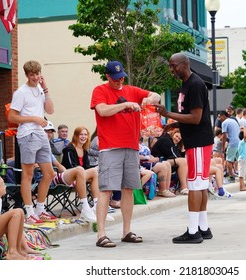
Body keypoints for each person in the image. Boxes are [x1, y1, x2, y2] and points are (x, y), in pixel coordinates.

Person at [91, 60, 161, 248]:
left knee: (128, 188)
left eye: (122, 77)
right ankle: (101, 234)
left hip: (131, 147)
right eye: (116, 78)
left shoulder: (131, 89)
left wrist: (149, 98)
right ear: (107, 77)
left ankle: (126, 231)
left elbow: (156, 96)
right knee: (106, 189)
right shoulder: (100, 91)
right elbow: (102, 110)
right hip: (110, 147)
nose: (119, 81)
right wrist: (126, 105)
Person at [155, 53, 214, 244]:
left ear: (185, 64)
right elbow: (190, 116)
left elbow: (196, 117)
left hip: (198, 142)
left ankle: (193, 231)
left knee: (195, 186)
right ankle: (203, 228)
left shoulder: (195, 85)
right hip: (198, 141)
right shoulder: (187, 83)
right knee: (201, 184)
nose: (171, 69)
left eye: (174, 66)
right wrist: (173, 125)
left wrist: (168, 114)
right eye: (170, 66)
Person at [8, 60, 57, 224]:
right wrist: (34, 118)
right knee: (27, 175)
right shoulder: (21, 92)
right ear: (27, 75)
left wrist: (46, 88)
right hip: (27, 134)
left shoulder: (40, 90)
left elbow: (50, 110)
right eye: (32, 75)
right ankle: (29, 212)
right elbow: (12, 117)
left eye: (37, 74)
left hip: (41, 134)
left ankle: (40, 209)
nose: (35, 77)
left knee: (49, 173)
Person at [0, 175, 42, 257]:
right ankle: (12, 251)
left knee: (19, 213)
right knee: (14, 217)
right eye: (3, 185)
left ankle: (23, 248)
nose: (5, 186)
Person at [61, 126, 101, 212]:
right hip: (69, 176)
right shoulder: (69, 149)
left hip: (81, 176)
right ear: (76, 136)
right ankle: (88, 206)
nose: (83, 137)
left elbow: (86, 166)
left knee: (96, 172)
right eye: (81, 134)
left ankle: (97, 205)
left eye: (85, 134)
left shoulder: (84, 151)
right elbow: (71, 166)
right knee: (91, 171)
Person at [151, 125, 189, 195]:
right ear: (173, 133)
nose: (177, 139)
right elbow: (173, 156)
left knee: (185, 162)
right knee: (183, 161)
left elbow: (178, 155)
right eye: (177, 136)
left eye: (179, 139)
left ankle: (185, 186)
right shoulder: (166, 140)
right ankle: (183, 187)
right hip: (158, 160)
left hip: (165, 160)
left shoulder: (174, 145)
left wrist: (183, 148)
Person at [221, 105, 240, 184]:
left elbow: (224, 135)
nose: (219, 119)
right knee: (238, 159)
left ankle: (231, 176)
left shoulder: (224, 123)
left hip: (232, 143)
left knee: (229, 160)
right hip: (238, 142)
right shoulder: (234, 121)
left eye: (220, 117)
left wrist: (223, 146)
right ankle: (243, 175)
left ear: (223, 116)